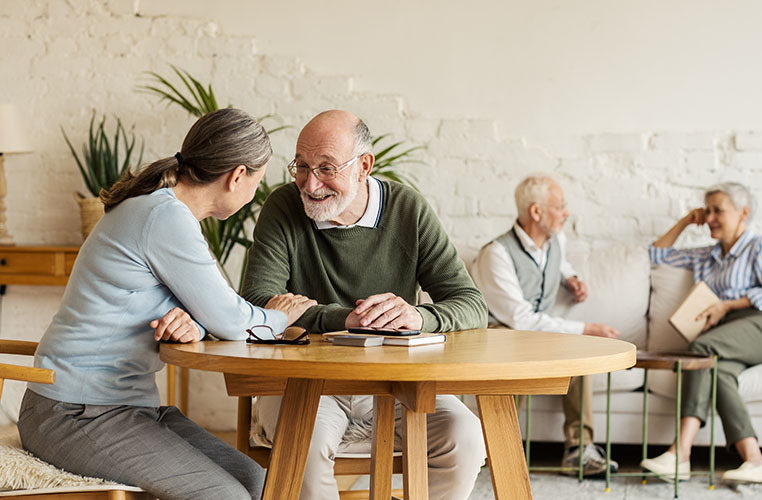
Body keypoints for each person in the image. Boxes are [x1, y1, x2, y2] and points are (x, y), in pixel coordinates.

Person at [17, 108, 316, 500]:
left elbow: (203, 308)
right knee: (227, 497)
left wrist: (193, 322)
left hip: (123, 409)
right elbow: (233, 320)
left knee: (260, 484)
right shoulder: (164, 217)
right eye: (256, 182)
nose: (253, 194)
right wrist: (282, 315)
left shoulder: (163, 211)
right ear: (237, 176)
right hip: (73, 412)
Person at [241, 109, 488, 500]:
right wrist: (346, 320)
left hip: (398, 382)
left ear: (364, 167)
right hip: (308, 383)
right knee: (301, 443)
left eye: (326, 168)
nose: (310, 183)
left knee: (466, 437)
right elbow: (257, 304)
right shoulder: (283, 207)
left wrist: (417, 317)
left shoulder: (408, 209)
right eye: (301, 166)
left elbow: (471, 304)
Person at [641, 182, 762, 483]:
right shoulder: (705, 256)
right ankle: (755, 460)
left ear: (743, 213)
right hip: (731, 336)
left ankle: (680, 454)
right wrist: (687, 220)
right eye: (707, 210)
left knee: (701, 348)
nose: (710, 217)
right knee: (719, 371)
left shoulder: (760, 246)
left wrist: (727, 306)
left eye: (718, 210)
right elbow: (656, 255)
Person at [470, 174, 620, 476]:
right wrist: (587, 329)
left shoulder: (555, 240)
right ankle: (498, 447)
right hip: (502, 332)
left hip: (535, 334)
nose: (566, 213)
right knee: (526, 346)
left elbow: (556, 261)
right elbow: (520, 319)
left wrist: (571, 278)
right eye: (560, 206)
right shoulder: (495, 254)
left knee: (579, 353)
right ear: (536, 213)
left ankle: (579, 451)